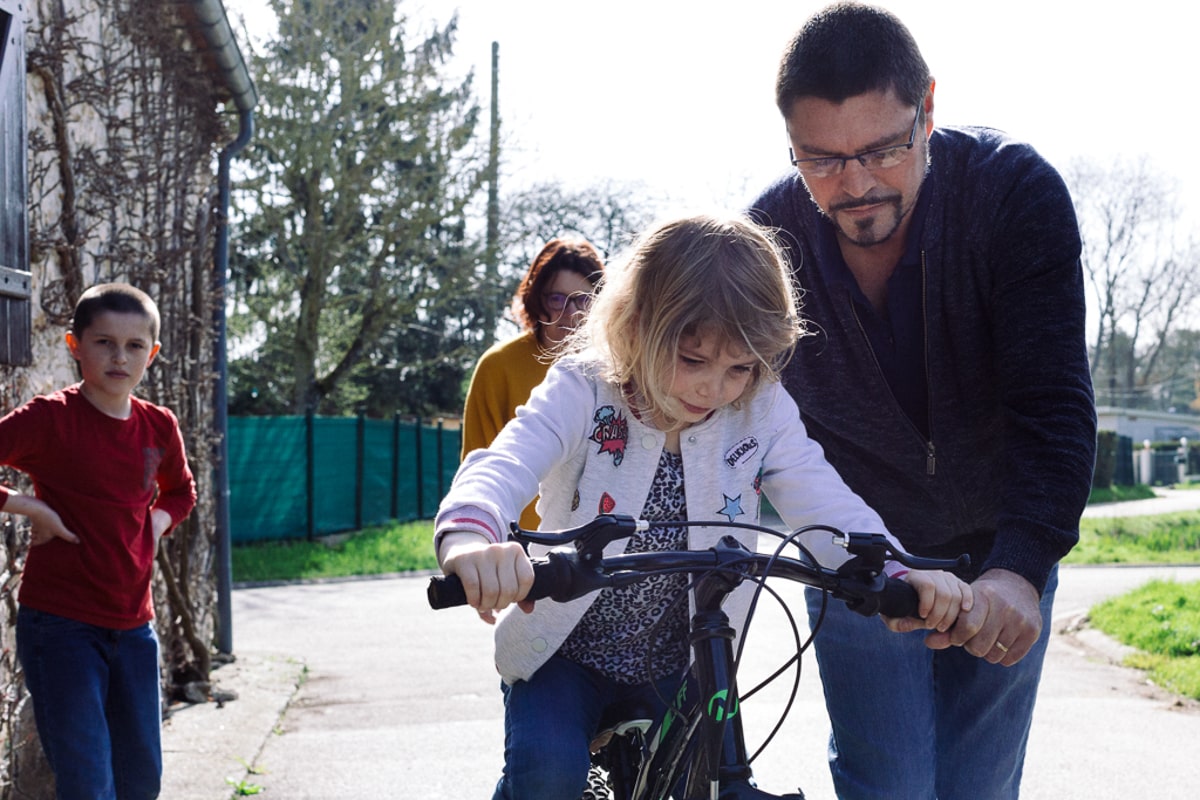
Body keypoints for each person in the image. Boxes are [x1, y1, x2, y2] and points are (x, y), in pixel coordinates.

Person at [434, 213, 973, 800]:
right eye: (693, 360)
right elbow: (505, 460)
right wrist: (470, 539)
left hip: (687, 664)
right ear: (637, 327)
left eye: (739, 367)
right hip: (564, 654)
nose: (714, 390)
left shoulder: (760, 409)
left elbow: (824, 499)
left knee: (707, 785)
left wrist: (893, 569)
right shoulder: (586, 388)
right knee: (546, 778)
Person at [748, 4, 1097, 798]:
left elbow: (1054, 405)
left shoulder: (1012, 195)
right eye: (822, 160)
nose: (857, 183)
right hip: (860, 557)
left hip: (1001, 552)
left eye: (882, 148)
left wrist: (1020, 568)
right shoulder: (768, 239)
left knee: (978, 789)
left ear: (928, 109)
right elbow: (722, 408)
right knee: (889, 784)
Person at [0, 283, 197, 798]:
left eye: (134, 346)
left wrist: (157, 522)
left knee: (141, 783)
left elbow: (181, 492)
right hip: (61, 629)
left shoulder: (159, 425)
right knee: (89, 786)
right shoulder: (51, 419)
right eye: (103, 342)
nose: (119, 356)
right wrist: (28, 505)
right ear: (74, 345)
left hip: (135, 630)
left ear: (151, 354)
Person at [460, 236, 605, 530]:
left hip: (592, 545)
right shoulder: (498, 365)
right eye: (557, 299)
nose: (572, 312)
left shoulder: (612, 369)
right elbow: (478, 461)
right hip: (518, 546)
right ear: (537, 301)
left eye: (583, 300)